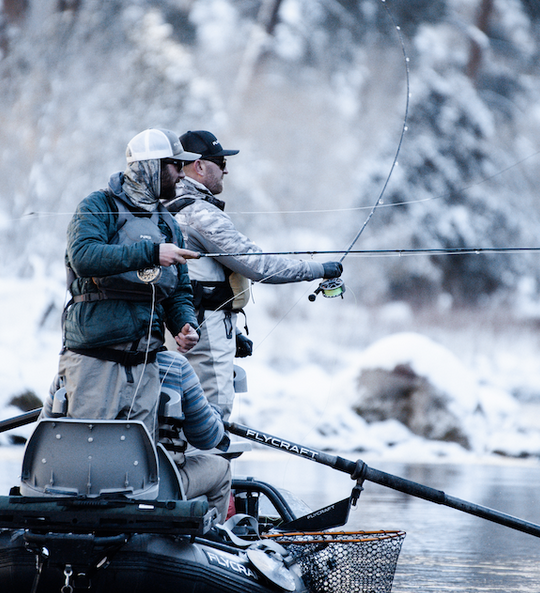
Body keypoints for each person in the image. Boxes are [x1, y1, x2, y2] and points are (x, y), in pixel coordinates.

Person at [164, 130, 342, 420]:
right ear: (198, 166)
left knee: (181, 413)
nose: (226, 169)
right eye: (220, 162)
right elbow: (257, 265)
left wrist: (232, 332)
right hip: (204, 333)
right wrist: (318, 269)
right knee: (211, 413)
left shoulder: (167, 208)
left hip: (187, 327)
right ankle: (207, 464)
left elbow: (198, 276)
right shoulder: (199, 214)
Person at [42, 128, 202, 440]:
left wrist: (185, 323)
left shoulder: (168, 224)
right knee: (85, 458)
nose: (182, 176)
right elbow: (84, 257)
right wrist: (152, 253)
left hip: (145, 365)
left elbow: (179, 290)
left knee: (134, 463)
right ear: (152, 166)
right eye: (176, 166)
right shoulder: (97, 206)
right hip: (94, 362)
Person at [156, 350, 231, 520]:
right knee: (222, 468)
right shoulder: (174, 364)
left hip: (90, 484)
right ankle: (212, 539)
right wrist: (215, 413)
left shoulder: (84, 362)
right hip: (157, 485)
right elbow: (206, 437)